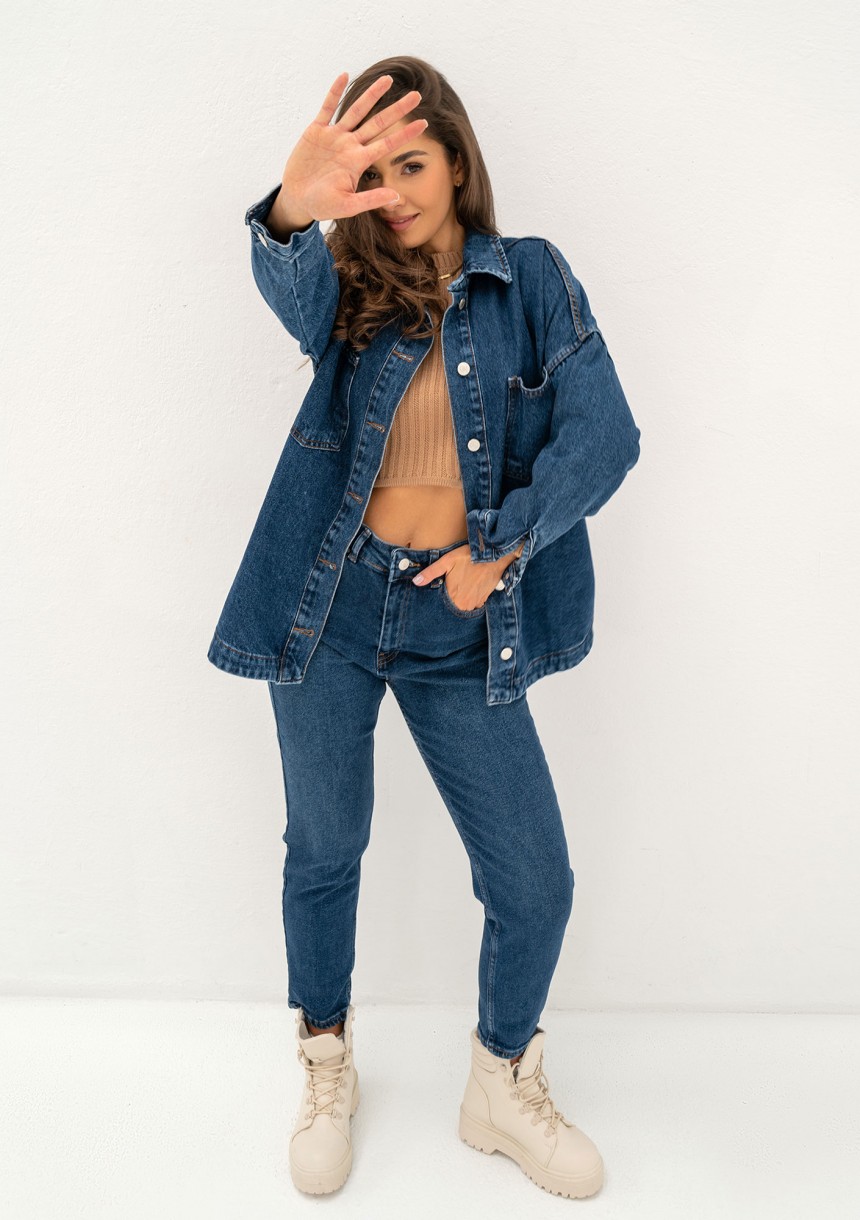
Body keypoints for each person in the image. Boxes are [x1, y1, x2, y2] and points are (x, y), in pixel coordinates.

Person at [208, 55, 641, 1199]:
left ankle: (499, 1082)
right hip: (332, 605)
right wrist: (296, 205)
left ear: (454, 159)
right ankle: (325, 1063)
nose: (392, 192)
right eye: (370, 173)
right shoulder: (348, 286)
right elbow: (289, 276)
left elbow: (604, 435)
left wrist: (502, 545)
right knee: (324, 846)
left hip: (463, 619)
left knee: (532, 878)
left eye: (410, 163)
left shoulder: (528, 276)